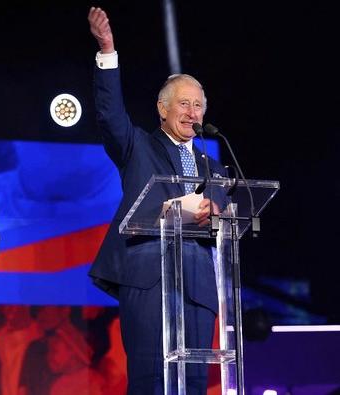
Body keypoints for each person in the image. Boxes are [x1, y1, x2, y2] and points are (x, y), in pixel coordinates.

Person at [87, 7, 226, 394]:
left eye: (198, 106)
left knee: (194, 382)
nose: (192, 112)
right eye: (184, 104)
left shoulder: (213, 167)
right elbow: (109, 113)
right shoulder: (137, 147)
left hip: (198, 282)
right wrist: (108, 51)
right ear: (162, 109)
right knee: (150, 381)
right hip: (148, 279)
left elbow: (222, 218)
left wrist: (216, 213)